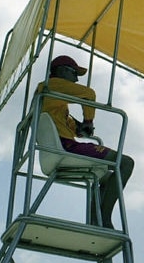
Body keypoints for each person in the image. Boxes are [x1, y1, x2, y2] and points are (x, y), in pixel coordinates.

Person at [36, 55, 134, 229]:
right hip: (66, 147)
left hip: (63, 145)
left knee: (109, 177)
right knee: (125, 163)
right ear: (61, 71)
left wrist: (82, 128)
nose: (76, 79)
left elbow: (70, 125)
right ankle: (103, 220)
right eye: (74, 73)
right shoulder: (51, 86)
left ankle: (96, 219)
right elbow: (89, 94)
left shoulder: (53, 98)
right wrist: (89, 121)